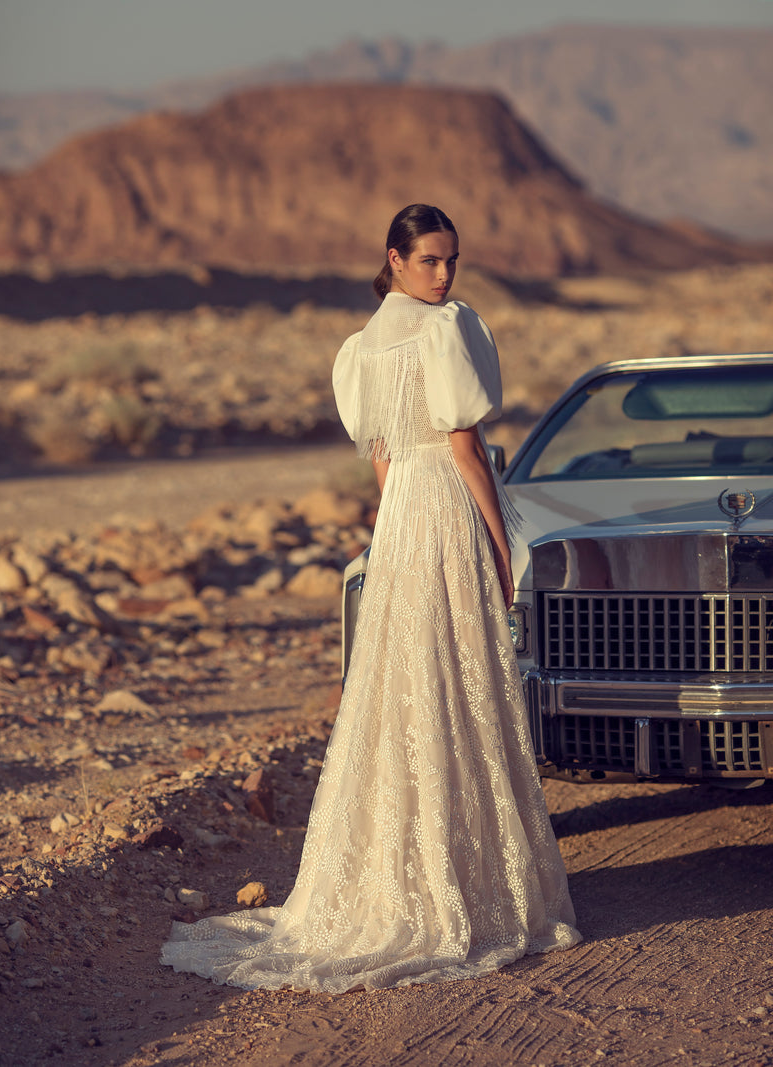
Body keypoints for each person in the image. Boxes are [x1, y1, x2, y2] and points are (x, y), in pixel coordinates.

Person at [160, 204, 581, 992]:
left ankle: (413, 876)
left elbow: (384, 461)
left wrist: (391, 537)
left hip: (402, 520)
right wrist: (499, 540)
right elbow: (466, 446)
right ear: (393, 258)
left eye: (451, 259)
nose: (444, 274)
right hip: (449, 508)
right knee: (456, 673)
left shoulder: (362, 347)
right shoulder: (447, 327)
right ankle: (463, 884)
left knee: (406, 683)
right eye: (428, 260)